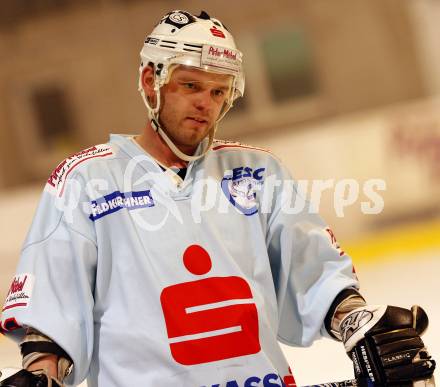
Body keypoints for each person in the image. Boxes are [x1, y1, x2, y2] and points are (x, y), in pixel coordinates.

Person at [0, 10, 436, 387]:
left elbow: (314, 270)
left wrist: (356, 323)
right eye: (191, 86)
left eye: (218, 91)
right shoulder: (85, 181)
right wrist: (42, 373)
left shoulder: (258, 173)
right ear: (151, 80)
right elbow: (52, 308)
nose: (206, 104)